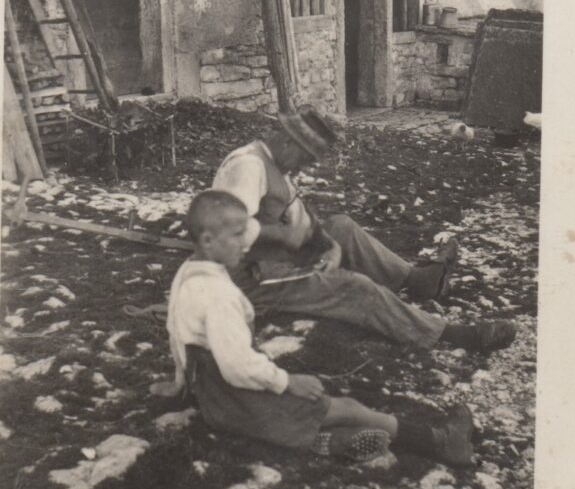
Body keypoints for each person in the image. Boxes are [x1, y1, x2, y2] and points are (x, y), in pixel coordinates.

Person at [166, 190, 476, 465]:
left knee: (316, 410)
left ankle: (332, 441)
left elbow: (176, 331)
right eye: (236, 235)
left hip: (212, 399)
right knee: (347, 407)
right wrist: (288, 382)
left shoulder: (189, 273)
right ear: (208, 241)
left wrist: (182, 383)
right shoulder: (221, 296)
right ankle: (440, 442)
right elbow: (238, 367)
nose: (245, 243)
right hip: (239, 401)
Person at [212, 105, 516, 354]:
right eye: (304, 159)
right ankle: (452, 335)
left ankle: (415, 280)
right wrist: (285, 237)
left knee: (341, 227)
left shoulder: (275, 165)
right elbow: (227, 227)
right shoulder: (249, 166)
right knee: (356, 288)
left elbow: (300, 218)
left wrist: (328, 245)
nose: (302, 168)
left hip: (269, 258)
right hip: (247, 278)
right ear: (289, 142)